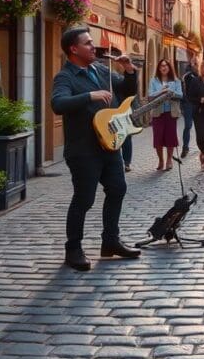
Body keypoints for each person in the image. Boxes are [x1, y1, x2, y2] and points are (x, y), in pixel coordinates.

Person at [51, 27, 141, 272]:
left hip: (110, 143)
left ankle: (110, 241)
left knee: (118, 189)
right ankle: (73, 248)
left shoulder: (101, 70)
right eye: (88, 43)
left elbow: (128, 91)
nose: (94, 47)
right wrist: (90, 95)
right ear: (74, 49)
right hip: (83, 149)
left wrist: (130, 71)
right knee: (84, 198)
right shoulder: (65, 77)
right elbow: (58, 104)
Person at [148, 59, 183, 172]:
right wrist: (161, 91)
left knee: (170, 137)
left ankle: (169, 160)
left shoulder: (176, 81)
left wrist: (170, 93)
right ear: (158, 68)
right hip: (157, 113)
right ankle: (161, 160)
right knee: (158, 138)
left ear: (169, 68)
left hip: (171, 113)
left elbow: (180, 95)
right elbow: (150, 96)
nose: (164, 68)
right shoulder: (154, 81)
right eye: (161, 66)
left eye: (166, 66)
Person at [180, 57, 199, 158]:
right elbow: (183, 86)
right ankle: (185, 147)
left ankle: (201, 145)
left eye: (196, 63)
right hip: (188, 104)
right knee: (188, 126)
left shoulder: (201, 74)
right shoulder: (187, 75)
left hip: (199, 104)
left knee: (200, 127)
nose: (195, 65)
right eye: (194, 64)